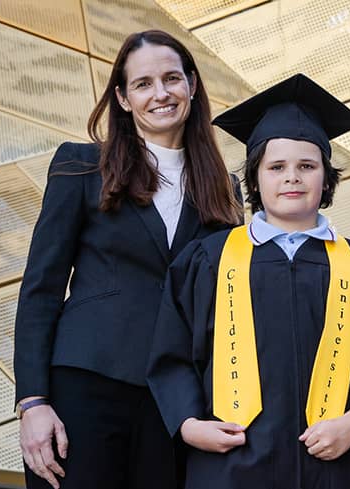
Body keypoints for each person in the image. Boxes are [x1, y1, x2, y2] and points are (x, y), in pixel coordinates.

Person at [146, 73, 350, 489]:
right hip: (232, 467)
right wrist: (190, 426)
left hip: (340, 467)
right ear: (255, 178)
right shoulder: (207, 261)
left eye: (307, 166)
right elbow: (171, 355)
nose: (292, 177)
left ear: (327, 178)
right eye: (276, 166)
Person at [13, 30, 244, 489]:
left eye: (172, 79)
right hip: (84, 388)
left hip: (174, 402)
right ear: (121, 97)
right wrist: (32, 402)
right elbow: (41, 287)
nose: (161, 94)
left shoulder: (226, 191)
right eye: (143, 84)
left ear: (192, 86)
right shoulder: (80, 166)